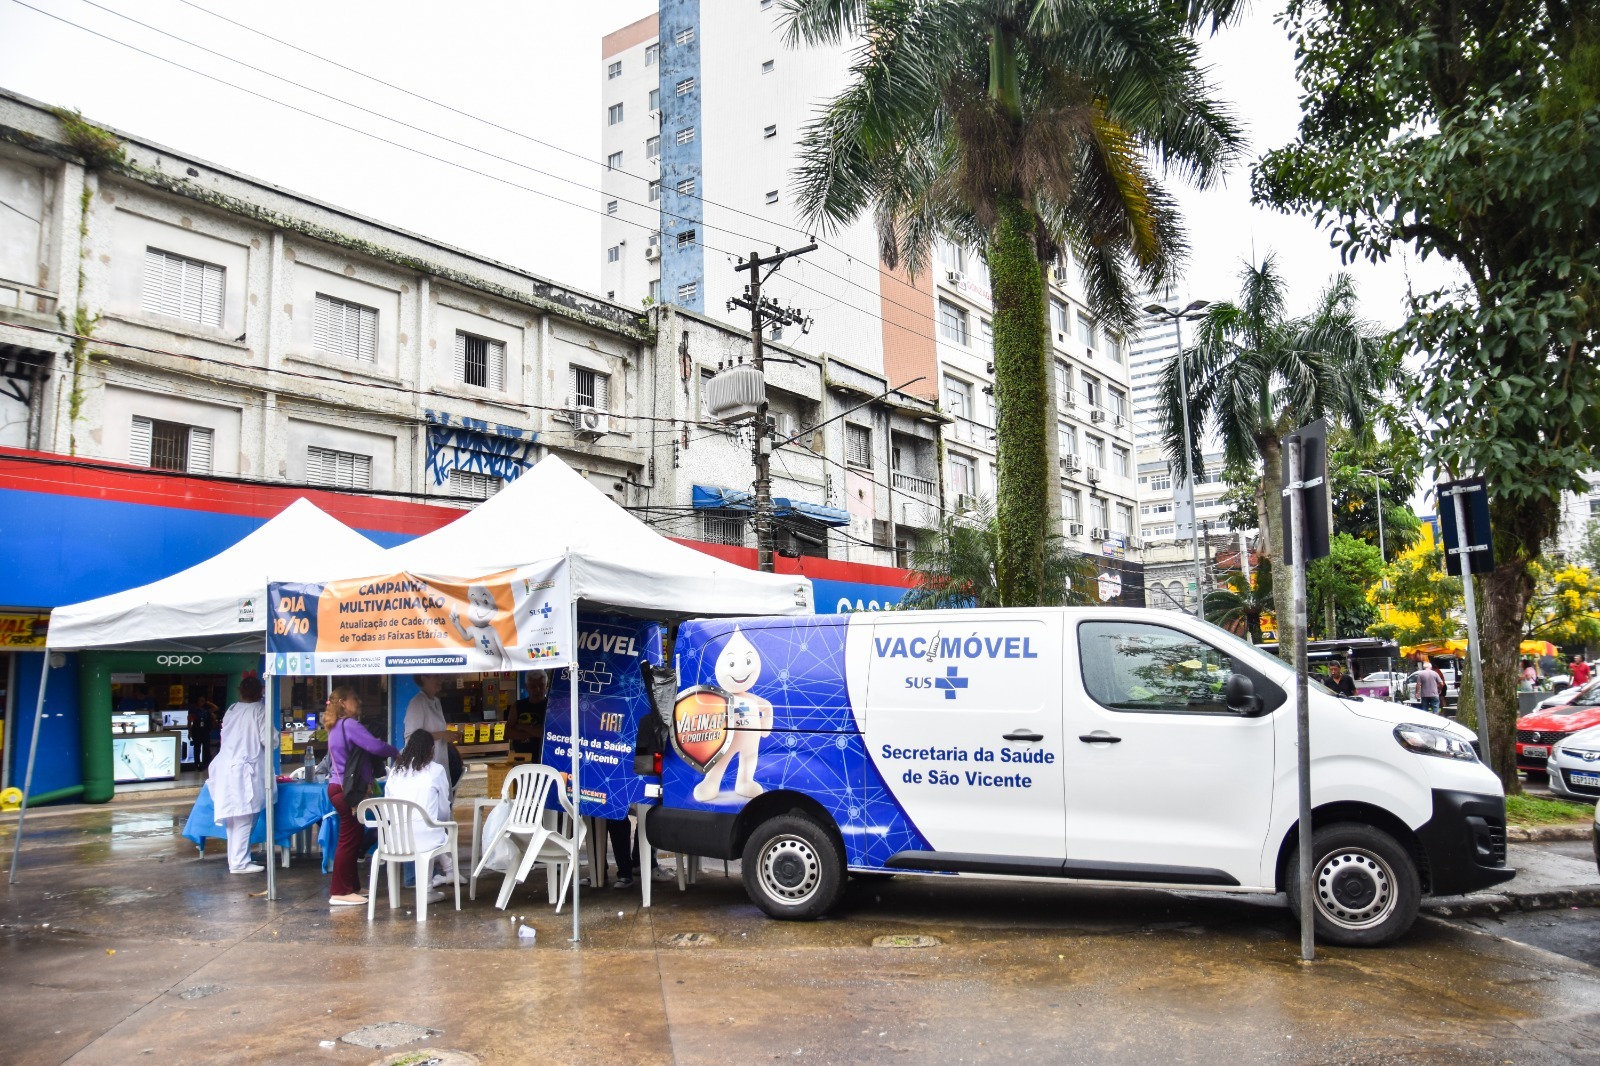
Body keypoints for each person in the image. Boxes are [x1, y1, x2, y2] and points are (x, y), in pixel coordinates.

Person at [326, 686, 399, 907]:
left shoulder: (336, 726)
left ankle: (352, 887)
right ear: (343, 703)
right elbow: (374, 746)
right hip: (347, 790)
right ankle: (340, 891)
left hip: (338, 787)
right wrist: (397, 752)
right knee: (348, 841)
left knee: (353, 837)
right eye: (354, 698)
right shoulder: (350, 725)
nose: (359, 702)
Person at [385, 729, 461, 894]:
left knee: (427, 828)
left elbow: (387, 808)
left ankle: (449, 871)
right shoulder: (436, 770)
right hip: (425, 838)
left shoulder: (394, 772)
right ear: (431, 749)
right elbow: (443, 811)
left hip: (395, 839)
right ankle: (430, 888)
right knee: (434, 828)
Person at [208, 676, 267, 875]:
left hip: (226, 766)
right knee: (244, 817)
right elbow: (269, 740)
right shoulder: (259, 710)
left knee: (232, 819)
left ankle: (236, 859)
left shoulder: (232, 709)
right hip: (243, 770)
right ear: (260, 691)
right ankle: (240, 862)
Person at [403, 675, 460, 790]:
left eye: (441, 676)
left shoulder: (436, 702)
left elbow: (437, 732)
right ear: (423, 678)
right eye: (435, 676)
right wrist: (442, 735)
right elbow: (412, 737)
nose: (441, 679)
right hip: (424, 769)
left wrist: (448, 736)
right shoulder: (417, 703)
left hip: (440, 761)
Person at [508, 671, 550, 762]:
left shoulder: (551, 706)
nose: (537, 690)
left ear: (546, 686)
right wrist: (534, 732)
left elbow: (547, 734)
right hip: (522, 759)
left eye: (541, 686)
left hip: (545, 759)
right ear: (526, 687)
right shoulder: (518, 706)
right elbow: (508, 733)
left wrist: (521, 727)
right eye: (533, 686)